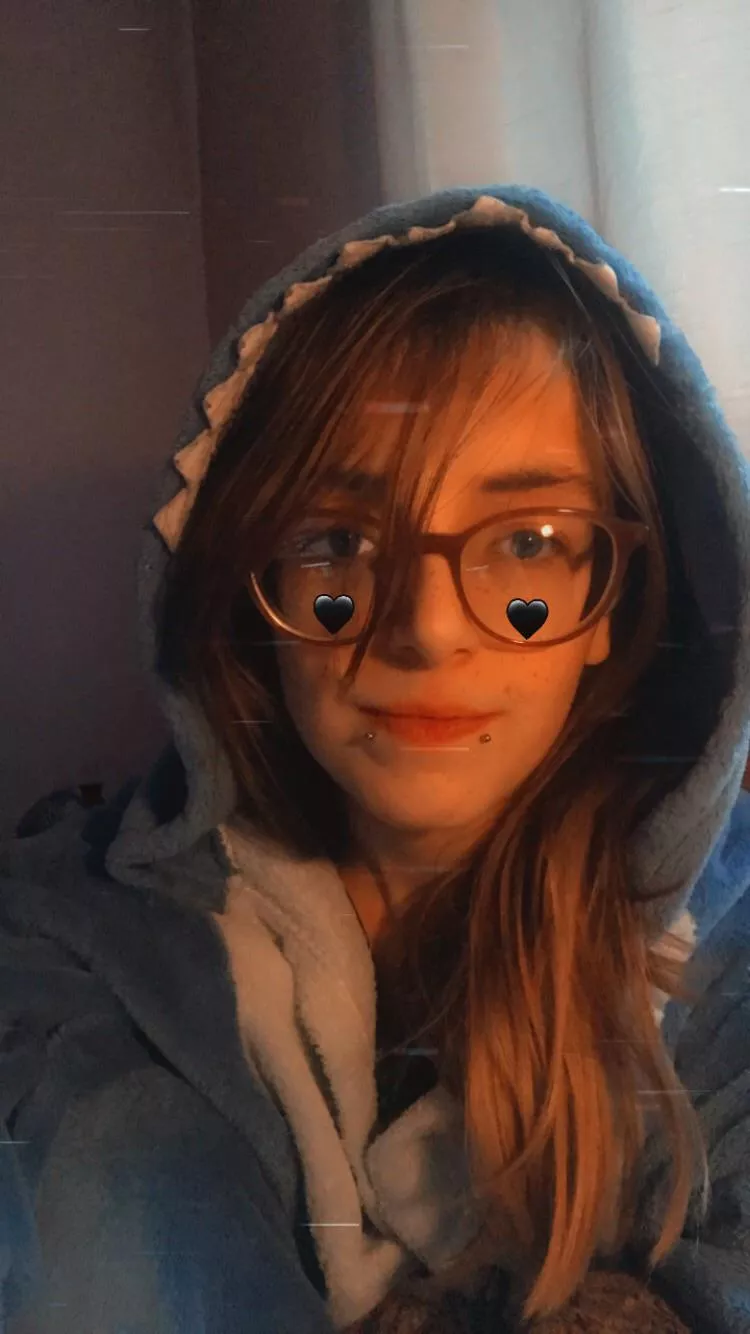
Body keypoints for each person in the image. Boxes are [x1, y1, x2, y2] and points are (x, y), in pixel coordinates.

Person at [1, 186, 750, 1334]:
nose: (424, 631)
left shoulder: (730, 959)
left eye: (527, 543)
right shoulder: (78, 952)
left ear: (611, 601)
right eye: (337, 541)